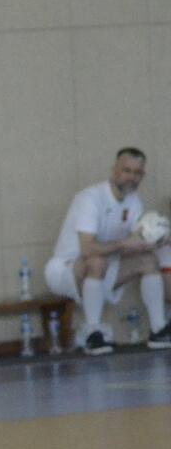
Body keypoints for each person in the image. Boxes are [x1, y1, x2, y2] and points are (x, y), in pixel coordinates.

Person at [43, 147, 171, 355]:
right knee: (97, 260)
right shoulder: (90, 198)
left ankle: (159, 329)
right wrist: (124, 244)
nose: (131, 177)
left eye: (137, 173)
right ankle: (93, 333)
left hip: (103, 268)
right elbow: (87, 249)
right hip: (64, 270)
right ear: (114, 171)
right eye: (126, 170)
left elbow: (134, 244)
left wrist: (156, 239)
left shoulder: (134, 201)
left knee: (148, 260)